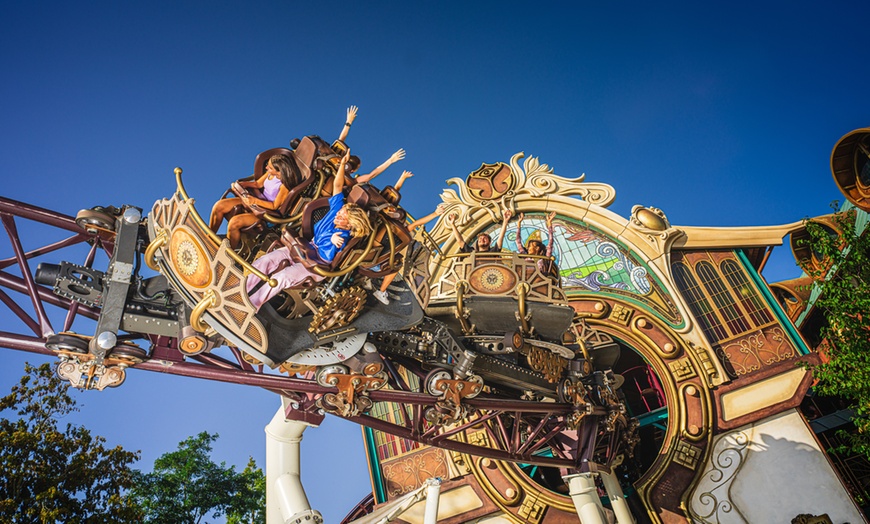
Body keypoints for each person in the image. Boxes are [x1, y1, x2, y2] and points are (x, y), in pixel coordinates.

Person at [246, 149, 372, 309]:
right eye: (340, 212)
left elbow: (325, 257)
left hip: (315, 265)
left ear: (350, 224)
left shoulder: (343, 235)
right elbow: (338, 185)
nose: (338, 216)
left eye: (343, 217)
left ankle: (251, 305)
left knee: (282, 277)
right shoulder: (336, 209)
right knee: (266, 260)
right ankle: (242, 290)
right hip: (304, 249)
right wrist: (342, 165)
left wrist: (333, 241)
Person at [209, 154, 298, 250]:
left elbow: (274, 206)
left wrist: (254, 200)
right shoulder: (270, 173)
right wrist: (241, 184)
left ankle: (227, 253)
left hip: (265, 213)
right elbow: (257, 184)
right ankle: (209, 238)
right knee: (219, 206)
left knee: (234, 223)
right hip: (255, 201)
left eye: (270, 167)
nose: (267, 167)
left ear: (279, 171)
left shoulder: (284, 186)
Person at [372, 203, 445, 305]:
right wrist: (435, 214)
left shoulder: (377, 223)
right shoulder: (400, 234)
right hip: (373, 264)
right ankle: (381, 291)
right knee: (396, 265)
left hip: (359, 255)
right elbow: (416, 224)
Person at [447, 209, 512, 253]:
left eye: (485, 238)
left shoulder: (493, 251)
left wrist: (505, 221)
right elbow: (460, 241)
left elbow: (500, 237)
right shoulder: (472, 252)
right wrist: (452, 224)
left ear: (489, 243)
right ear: (477, 242)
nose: (482, 239)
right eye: (480, 239)